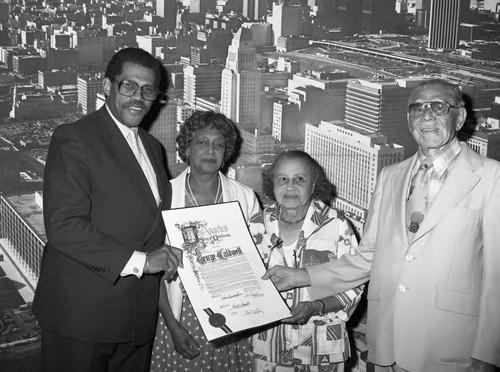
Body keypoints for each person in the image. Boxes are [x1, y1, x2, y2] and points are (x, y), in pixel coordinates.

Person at [263, 80, 500, 372]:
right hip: (387, 343)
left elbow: (496, 274)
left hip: (452, 348)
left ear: (460, 117)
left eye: (438, 107)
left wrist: (487, 354)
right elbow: (368, 257)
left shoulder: (491, 177)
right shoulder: (390, 176)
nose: (426, 116)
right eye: (417, 109)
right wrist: (300, 276)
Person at [33, 48, 183, 372]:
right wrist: (144, 262)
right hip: (83, 317)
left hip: (137, 320)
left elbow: (149, 224)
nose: (138, 97)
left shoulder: (153, 148)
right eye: (128, 86)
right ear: (106, 87)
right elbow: (64, 227)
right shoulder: (75, 137)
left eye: (148, 90)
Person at [150, 110, 261, 372]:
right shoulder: (162, 196)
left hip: (234, 317)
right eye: (202, 142)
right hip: (179, 316)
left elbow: (257, 264)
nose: (210, 151)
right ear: (186, 148)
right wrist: (173, 325)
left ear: (227, 153)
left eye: (219, 145)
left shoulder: (245, 198)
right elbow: (151, 270)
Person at [248, 150, 363, 372]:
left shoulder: (336, 224)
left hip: (322, 348)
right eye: (282, 179)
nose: (290, 186)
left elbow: (355, 284)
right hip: (269, 346)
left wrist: (316, 306)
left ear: (313, 186)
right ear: (272, 184)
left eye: (299, 179)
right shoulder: (255, 224)